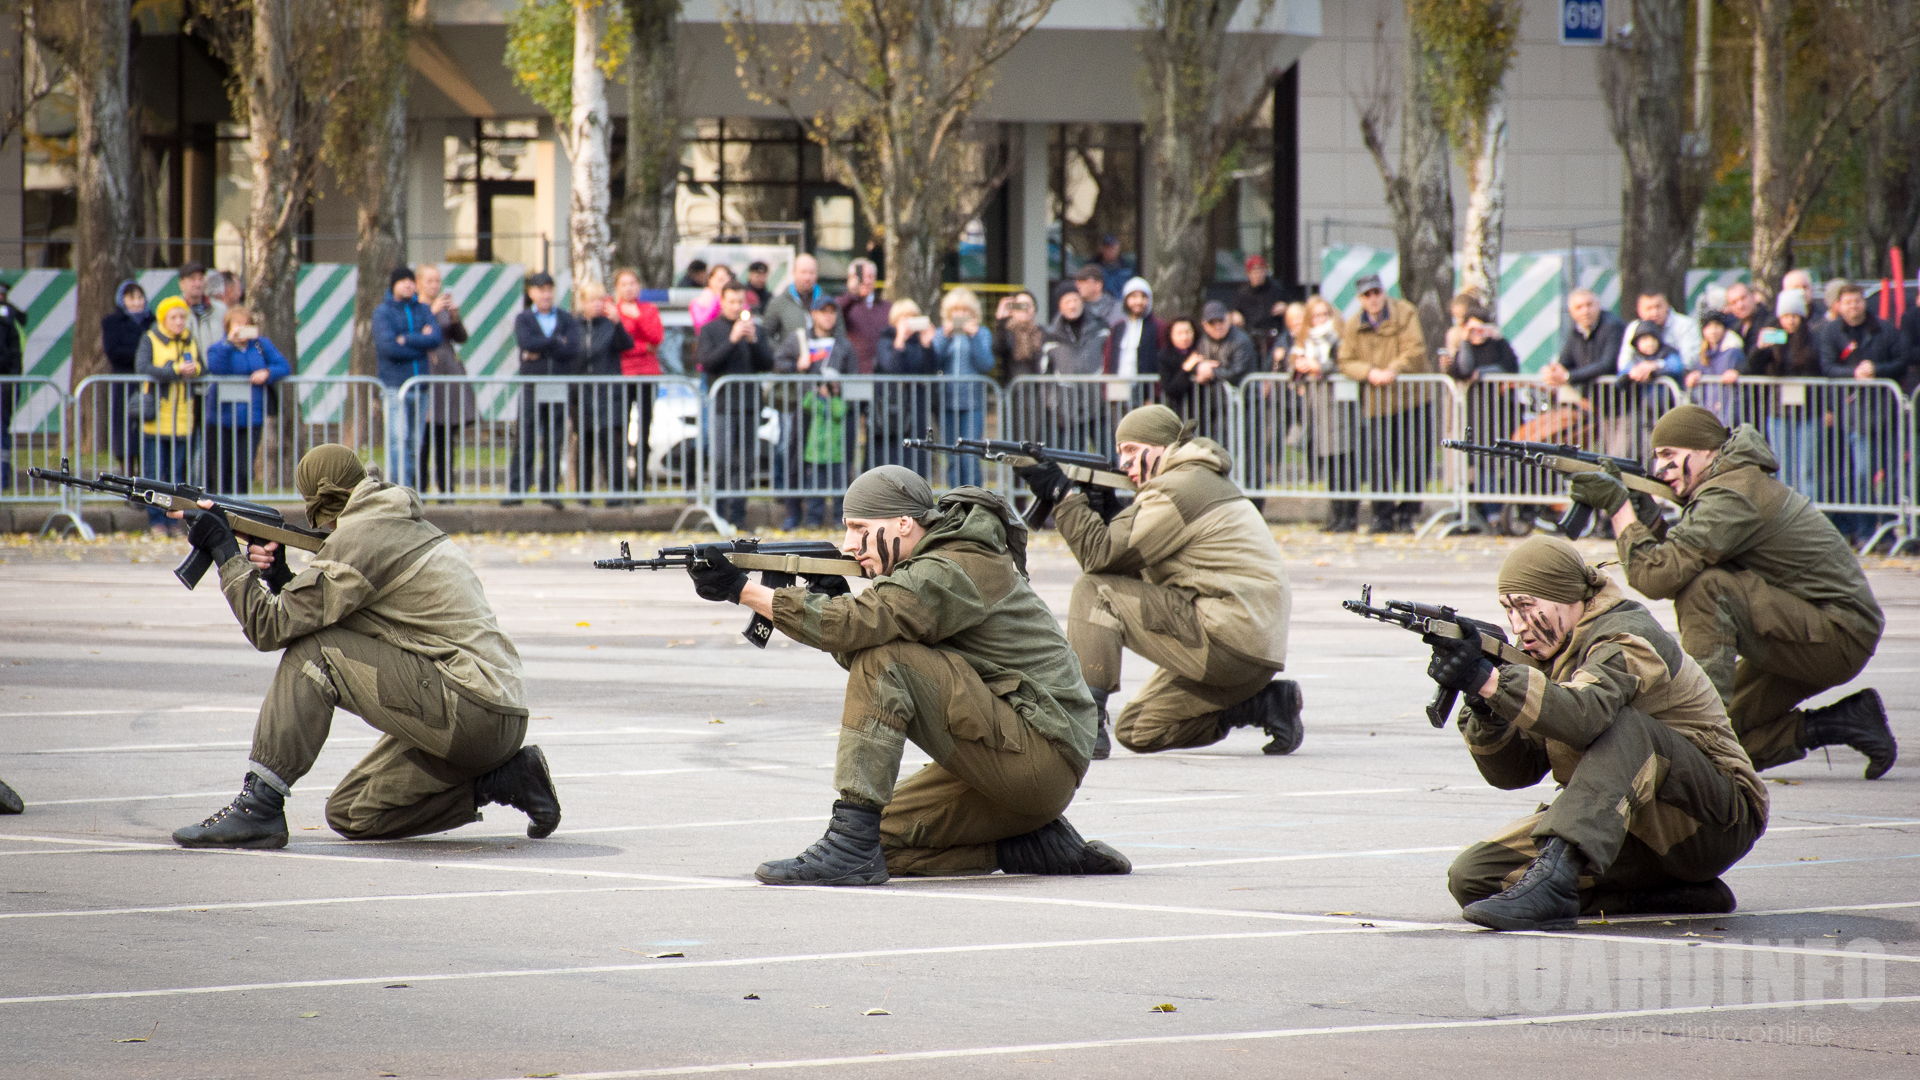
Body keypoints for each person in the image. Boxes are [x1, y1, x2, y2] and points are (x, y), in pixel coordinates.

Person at [682, 466, 1128, 884]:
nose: (849, 545)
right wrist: (833, 602)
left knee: (886, 662)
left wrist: (743, 590)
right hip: (1013, 765)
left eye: (859, 529)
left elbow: (870, 640)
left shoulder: (954, 565)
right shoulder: (935, 563)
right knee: (880, 842)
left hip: (1042, 757)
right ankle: (1023, 847)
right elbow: (867, 641)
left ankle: (850, 845)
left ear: (903, 524)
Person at [167, 444, 558, 849]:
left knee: (313, 656)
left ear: (321, 497)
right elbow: (338, 615)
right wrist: (281, 574)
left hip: (469, 708)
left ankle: (259, 806)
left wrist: (227, 554)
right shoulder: (388, 520)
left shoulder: (363, 538)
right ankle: (504, 779)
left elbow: (269, 627)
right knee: (353, 812)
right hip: (492, 715)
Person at [1440, 536, 1767, 930]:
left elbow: (1584, 715)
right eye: (1509, 610)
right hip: (1630, 825)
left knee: (1626, 726)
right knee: (1474, 878)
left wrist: (1491, 680)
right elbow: (1513, 773)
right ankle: (1664, 896)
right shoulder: (1554, 651)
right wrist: (1484, 706)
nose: (1517, 625)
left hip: (1714, 821)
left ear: (1568, 597)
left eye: (1527, 607)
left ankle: (1554, 882)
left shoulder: (1628, 636)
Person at [1567, 404, 1895, 780]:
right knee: (1728, 742)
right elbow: (1683, 557)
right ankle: (1844, 723)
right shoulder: (1732, 483)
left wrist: (1620, 508)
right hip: (1807, 629)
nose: (1660, 469)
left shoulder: (1733, 493)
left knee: (1706, 591)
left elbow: (1659, 577)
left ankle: (1695, 720)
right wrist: (1650, 521)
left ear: (1706, 449)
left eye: (1670, 455)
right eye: (1657, 458)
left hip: (1837, 635)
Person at [1029, 403, 1301, 761]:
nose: (1123, 463)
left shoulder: (1178, 487)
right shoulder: (1197, 479)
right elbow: (1143, 562)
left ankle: (1083, 720)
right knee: (1138, 730)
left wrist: (1064, 497)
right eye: (1119, 452)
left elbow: (1098, 557)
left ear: (1160, 447)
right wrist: (1112, 513)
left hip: (1227, 639)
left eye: (1130, 450)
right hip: (1254, 652)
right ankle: (1262, 705)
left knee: (1094, 591)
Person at [1816, 281, 1909, 543]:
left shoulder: (1885, 329)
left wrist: (1876, 370)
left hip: (1887, 413)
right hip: (1856, 416)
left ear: (1863, 301)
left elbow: (1901, 362)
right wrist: (1853, 374)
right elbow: (1828, 367)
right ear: (1839, 305)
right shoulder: (1832, 333)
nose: (1853, 306)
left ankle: (1890, 531)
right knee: (1863, 475)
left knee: (1892, 476)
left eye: (1857, 300)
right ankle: (1867, 531)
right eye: (1848, 302)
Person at [1339, 273, 1431, 534]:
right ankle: (1383, 515)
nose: (1373, 299)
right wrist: (1369, 372)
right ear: (1360, 299)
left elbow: (1415, 349)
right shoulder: (1354, 323)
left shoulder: (1405, 312)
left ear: (1383, 292)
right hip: (1377, 401)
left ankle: (1408, 514)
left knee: (1414, 458)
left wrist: (1393, 370)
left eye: (1376, 292)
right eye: (1367, 295)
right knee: (1379, 459)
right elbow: (1345, 360)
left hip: (1411, 397)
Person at [764, 255, 837, 519]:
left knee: (817, 450)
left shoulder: (826, 301)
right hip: (792, 394)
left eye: (812, 272)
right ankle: (787, 499)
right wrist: (791, 357)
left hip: (821, 394)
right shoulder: (779, 302)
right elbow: (766, 337)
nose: (808, 276)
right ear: (794, 272)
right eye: (803, 272)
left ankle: (818, 507)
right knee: (788, 447)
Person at [697, 281, 774, 527]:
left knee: (746, 463)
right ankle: (718, 514)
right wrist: (731, 340)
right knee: (721, 460)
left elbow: (767, 362)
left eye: (740, 301)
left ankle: (738, 515)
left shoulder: (756, 329)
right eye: (731, 301)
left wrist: (753, 342)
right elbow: (707, 362)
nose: (736, 306)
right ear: (722, 302)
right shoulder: (711, 329)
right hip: (722, 405)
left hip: (750, 405)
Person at [776, 295, 857, 526]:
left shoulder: (843, 344)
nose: (829, 316)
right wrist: (796, 365)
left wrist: (839, 389)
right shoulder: (799, 339)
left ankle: (839, 516)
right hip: (804, 409)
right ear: (814, 314)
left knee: (840, 465)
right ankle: (795, 513)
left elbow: (853, 374)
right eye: (824, 312)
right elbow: (778, 363)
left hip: (835, 412)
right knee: (797, 461)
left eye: (833, 312)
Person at [509, 272, 581, 507]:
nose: (546, 294)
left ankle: (549, 489)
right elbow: (525, 342)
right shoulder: (524, 318)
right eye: (541, 289)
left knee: (554, 438)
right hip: (532, 384)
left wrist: (543, 348)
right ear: (531, 293)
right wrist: (554, 342)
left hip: (557, 385)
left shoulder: (566, 318)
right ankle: (517, 489)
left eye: (550, 289)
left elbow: (572, 348)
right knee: (525, 436)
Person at [202, 306, 290, 496]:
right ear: (228, 327)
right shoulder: (219, 348)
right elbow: (216, 367)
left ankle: (240, 509)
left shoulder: (261, 345)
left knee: (243, 469)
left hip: (251, 416)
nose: (242, 329)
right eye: (237, 325)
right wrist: (229, 344)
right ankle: (219, 509)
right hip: (221, 417)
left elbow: (283, 366)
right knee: (221, 467)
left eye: (246, 325)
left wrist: (268, 372)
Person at [1446, 306, 1520, 530]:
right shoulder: (1465, 347)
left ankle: (1508, 509)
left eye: (1480, 327)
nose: (1477, 332)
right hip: (1477, 413)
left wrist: (1485, 372)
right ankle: (1492, 514)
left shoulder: (1499, 345)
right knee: (1482, 462)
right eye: (1472, 328)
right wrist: (1466, 342)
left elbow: (1510, 368)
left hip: (1502, 411)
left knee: (1505, 460)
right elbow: (1463, 369)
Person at [372, 266, 444, 491]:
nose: (408, 284)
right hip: (395, 386)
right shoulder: (383, 312)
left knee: (414, 443)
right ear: (393, 285)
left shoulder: (423, 309)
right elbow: (389, 347)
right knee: (398, 439)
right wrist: (420, 346)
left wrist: (407, 339)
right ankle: (396, 490)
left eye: (411, 281)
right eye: (402, 281)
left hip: (420, 385)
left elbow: (436, 337)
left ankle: (408, 490)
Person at [1742, 288, 1820, 496]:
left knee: (1807, 469)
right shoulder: (1770, 336)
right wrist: (1760, 349)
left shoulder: (1813, 338)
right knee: (1782, 468)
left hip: (1809, 412)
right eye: (1786, 316)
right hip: (1778, 412)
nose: (1790, 321)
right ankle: (1786, 516)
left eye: (1795, 316)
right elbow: (1752, 368)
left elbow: (1819, 369)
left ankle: (1808, 515)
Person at [136, 296, 203, 534]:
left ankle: (173, 521)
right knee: (154, 474)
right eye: (173, 317)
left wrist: (197, 369)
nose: (179, 321)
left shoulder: (189, 340)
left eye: (182, 316)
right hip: (156, 418)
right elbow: (143, 367)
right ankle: (156, 521)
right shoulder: (151, 338)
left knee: (176, 476)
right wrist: (175, 370)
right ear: (164, 319)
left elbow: (202, 367)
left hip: (182, 419)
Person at [1293, 295, 1356, 531]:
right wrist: (1298, 366)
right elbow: (1292, 367)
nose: (1320, 319)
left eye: (1324, 314)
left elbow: (1345, 363)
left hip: (1339, 404)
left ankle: (1347, 516)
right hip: (1316, 405)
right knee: (1329, 463)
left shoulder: (1339, 337)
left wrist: (1321, 368)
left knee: (1344, 462)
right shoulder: (1304, 340)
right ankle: (1334, 514)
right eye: (1316, 315)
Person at [572, 281, 637, 501]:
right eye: (592, 300)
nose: (597, 304)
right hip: (582, 394)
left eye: (600, 299)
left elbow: (627, 345)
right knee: (584, 443)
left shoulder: (610, 325)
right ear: (582, 302)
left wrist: (618, 323)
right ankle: (584, 494)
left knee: (612, 444)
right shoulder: (574, 326)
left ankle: (616, 494)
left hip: (609, 394)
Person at [415, 264, 474, 500]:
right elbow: (421, 334)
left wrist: (455, 318)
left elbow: (460, 338)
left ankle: (446, 488)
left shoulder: (442, 308)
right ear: (419, 282)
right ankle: (421, 488)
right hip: (427, 375)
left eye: (437, 280)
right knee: (424, 437)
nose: (435, 285)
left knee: (445, 436)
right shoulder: (418, 309)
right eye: (429, 281)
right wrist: (432, 310)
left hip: (446, 378)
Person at [932, 287, 995, 487]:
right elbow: (934, 361)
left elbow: (986, 364)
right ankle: (955, 500)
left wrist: (974, 336)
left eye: (964, 311)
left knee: (970, 455)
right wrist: (944, 336)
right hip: (947, 402)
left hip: (972, 402)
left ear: (973, 312)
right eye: (955, 311)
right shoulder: (941, 333)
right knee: (953, 455)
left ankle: (976, 500)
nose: (959, 315)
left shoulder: (982, 333)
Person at [611, 269, 666, 491]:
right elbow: (618, 346)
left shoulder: (648, 309)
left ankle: (640, 480)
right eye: (624, 284)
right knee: (620, 429)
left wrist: (637, 317)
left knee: (645, 430)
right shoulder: (612, 312)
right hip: (623, 375)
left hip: (647, 375)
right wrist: (643, 348)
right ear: (617, 288)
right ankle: (620, 479)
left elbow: (657, 337)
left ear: (639, 286)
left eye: (633, 283)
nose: (629, 288)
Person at [872, 298, 938, 476]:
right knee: (893, 455)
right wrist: (899, 341)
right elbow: (892, 368)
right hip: (892, 408)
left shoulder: (920, 343)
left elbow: (929, 373)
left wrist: (927, 345)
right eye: (903, 318)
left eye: (912, 318)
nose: (909, 323)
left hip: (916, 407)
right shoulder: (885, 341)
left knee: (916, 454)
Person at [1039, 288, 1110, 452]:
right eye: (1067, 301)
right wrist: (1052, 403)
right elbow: (1045, 374)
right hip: (1066, 408)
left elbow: (1110, 362)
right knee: (1071, 460)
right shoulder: (1050, 334)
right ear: (1060, 306)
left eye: (1076, 300)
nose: (1072, 305)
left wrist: (1106, 397)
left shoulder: (1101, 327)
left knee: (1110, 458)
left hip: (1098, 406)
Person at [101, 280, 155, 473]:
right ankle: (126, 472)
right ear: (122, 300)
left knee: (145, 427)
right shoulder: (113, 322)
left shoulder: (152, 322)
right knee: (125, 428)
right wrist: (142, 356)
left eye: (140, 297)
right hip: (124, 382)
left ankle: (144, 475)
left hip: (148, 382)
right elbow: (113, 351)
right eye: (131, 298)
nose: (137, 302)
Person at [1542, 287, 1626, 390]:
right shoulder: (1576, 331)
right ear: (1571, 312)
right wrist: (1553, 371)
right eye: (1579, 307)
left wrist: (1567, 376)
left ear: (1598, 305)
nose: (1585, 311)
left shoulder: (1613, 326)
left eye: (1589, 305)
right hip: (1591, 397)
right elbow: (1565, 361)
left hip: (1617, 399)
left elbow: (1607, 364)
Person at [1616, 292, 1703, 376]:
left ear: (1667, 305)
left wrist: (1656, 367)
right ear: (1639, 311)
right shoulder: (1634, 328)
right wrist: (1636, 372)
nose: (1654, 313)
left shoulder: (1686, 325)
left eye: (1658, 307)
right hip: (1643, 387)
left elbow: (1688, 362)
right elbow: (1624, 363)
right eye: (1649, 308)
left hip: (1680, 385)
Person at [836, 258, 892, 375]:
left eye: (870, 277)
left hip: (882, 374)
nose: (866, 281)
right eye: (861, 277)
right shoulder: (846, 305)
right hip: (855, 372)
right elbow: (835, 312)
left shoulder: (887, 307)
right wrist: (852, 293)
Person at [1103, 277, 1164, 381]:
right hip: (1119, 388)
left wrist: (1154, 393)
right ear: (1126, 300)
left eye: (1143, 297)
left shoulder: (1158, 326)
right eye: (1134, 296)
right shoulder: (1118, 328)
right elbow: (1109, 360)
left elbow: (1162, 361)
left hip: (1146, 391)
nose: (1139, 301)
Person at [1688, 314, 1745, 423]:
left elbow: (1744, 369)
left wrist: (1738, 371)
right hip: (1709, 413)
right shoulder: (1702, 356)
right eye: (1708, 326)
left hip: (1727, 413)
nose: (1713, 331)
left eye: (1717, 325)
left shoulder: (1733, 352)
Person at [1230, 254, 1288, 348]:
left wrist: (1285, 307)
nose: (1258, 275)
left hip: (1272, 335)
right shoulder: (1243, 292)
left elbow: (1292, 306)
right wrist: (1235, 315)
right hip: (1250, 336)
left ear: (1265, 272)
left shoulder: (1276, 289)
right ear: (1248, 273)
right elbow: (1233, 311)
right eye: (1254, 271)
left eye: (1260, 271)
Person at [991, 290, 1044, 385]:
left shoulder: (1042, 332)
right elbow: (998, 349)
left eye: (1028, 305)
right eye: (1020, 306)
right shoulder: (1007, 332)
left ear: (1034, 309)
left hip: (1037, 391)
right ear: (1013, 310)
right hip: (1013, 390)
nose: (1025, 309)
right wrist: (1001, 320)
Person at [0, 280, 19, 489]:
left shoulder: (8, 320)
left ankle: (2, 479)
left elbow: (14, 355)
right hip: (6, 383)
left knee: (1, 431)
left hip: (4, 384)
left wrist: (13, 381)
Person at [1069, 263, 1118, 328]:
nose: (1078, 285)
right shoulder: (1073, 307)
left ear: (1098, 285)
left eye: (1083, 280)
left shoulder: (1116, 308)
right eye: (1077, 281)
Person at [689, 262, 734, 332]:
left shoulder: (736, 301)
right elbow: (701, 325)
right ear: (710, 280)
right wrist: (718, 297)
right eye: (720, 280)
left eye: (726, 281)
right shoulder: (698, 303)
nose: (722, 284)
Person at [1092, 233, 1135, 302]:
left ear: (1118, 248)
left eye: (1112, 247)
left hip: (1123, 304)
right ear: (1102, 249)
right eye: (1107, 247)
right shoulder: (1093, 266)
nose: (1109, 251)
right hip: (1100, 305)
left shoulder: (1129, 266)